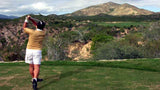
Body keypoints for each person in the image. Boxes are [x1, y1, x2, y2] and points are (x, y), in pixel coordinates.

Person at [23, 15, 46, 90]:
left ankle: (34, 78)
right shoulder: (43, 32)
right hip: (37, 51)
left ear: (37, 26)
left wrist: (27, 19)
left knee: (31, 66)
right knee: (37, 67)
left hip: (29, 50)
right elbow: (37, 26)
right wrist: (32, 19)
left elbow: (24, 28)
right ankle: (35, 79)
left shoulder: (32, 32)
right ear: (43, 27)